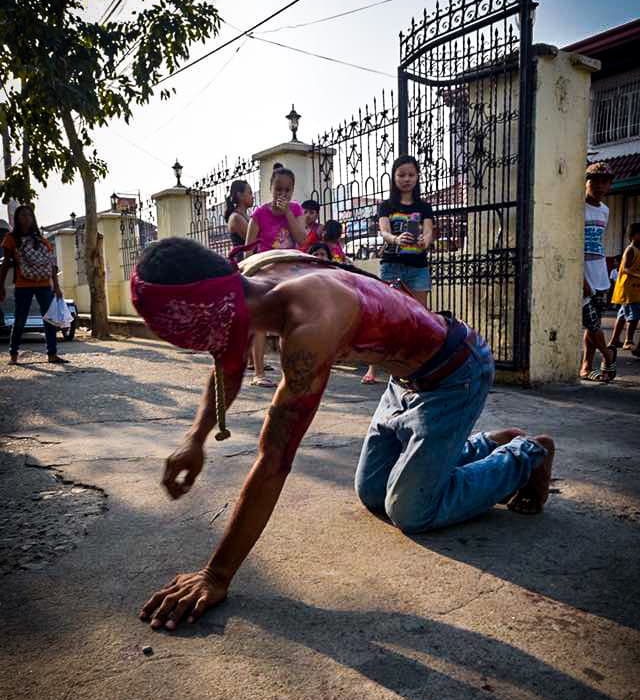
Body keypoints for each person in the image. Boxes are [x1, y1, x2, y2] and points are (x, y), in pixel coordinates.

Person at [132, 238, 554, 631]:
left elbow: (275, 459)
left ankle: (527, 454)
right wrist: (196, 437)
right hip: (404, 383)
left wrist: (216, 574)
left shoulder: (311, 321)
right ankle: (484, 444)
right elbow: (227, 355)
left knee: (411, 511)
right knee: (373, 494)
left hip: (455, 374)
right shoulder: (249, 277)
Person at [362, 155, 435, 385]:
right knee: (386, 316)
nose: (406, 179)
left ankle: (418, 365)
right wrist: (395, 238)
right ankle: (373, 368)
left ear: (417, 177)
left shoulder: (424, 207)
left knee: (421, 317)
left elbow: (429, 231)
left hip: (418, 267)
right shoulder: (387, 205)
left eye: (411, 175)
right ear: (394, 177)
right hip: (391, 265)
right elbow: (383, 231)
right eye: (401, 175)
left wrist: (425, 240)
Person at [245, 165, 306, 387]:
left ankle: (288, 372)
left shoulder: (297, 210)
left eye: (287, 190)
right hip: (265, 273)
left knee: (290, 322)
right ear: (270, 188)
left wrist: (288, 212)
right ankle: (258, 373)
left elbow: (302, 239)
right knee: (260, 324)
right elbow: (248, 250)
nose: (282, 193)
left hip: (289, 272)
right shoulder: (259, 214)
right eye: (278, 189)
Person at [0, 203, 66, 365]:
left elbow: (52, 264)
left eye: (29, 215)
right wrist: (0, 285)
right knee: (20, 320)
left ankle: (52, 354)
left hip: (44, 284)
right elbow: (6, 263)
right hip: (23, 285)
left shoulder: (41, 240)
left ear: (33, 218)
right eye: (22, 215)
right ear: (17, 218)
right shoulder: (11, 239)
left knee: (49, 319)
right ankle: (13, 354)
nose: (26, 218)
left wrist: (56, 287)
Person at [580, 162, 617, 382]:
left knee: (592, 326)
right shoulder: (578, 208)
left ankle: (586, 367)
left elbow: (598, 242)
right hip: (583, 275)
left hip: (600, 273)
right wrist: (580, 278)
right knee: (592, 323)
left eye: (605, 182)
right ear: (587, 182)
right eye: (595, 181)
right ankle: (608, 353)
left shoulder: (605, 210)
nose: (600, 186)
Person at [608, 222, 640, 351]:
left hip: (633, 288)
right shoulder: (631, 249)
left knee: (622, 314)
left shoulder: (637, 250)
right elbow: (625, 268)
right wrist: (638, 275)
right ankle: (628, 341)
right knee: (633, 316)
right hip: (629, 289)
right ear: (632, 236)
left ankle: (614, 340)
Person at [225, 180, 253, 248]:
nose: (252, 196)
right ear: (240, 195)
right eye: (250, 193)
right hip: (244, 258)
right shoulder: (236, 218)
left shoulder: (244, 215)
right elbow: (254, 241)